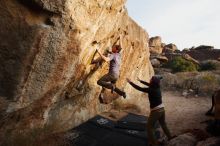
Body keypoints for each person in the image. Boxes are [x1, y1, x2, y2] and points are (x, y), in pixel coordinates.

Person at [127, 75, 173, 146]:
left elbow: (139, 88)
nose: (150, 79)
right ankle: (170, 137)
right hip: (162, 109)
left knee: (149, 127)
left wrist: (130, 82)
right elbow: (149, 84)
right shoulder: (157, 87)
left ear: (152, 82)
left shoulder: (150, 90)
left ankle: (154, 144)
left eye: (151, 79)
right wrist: (140, 81)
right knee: (163, 124)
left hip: (156, 111)